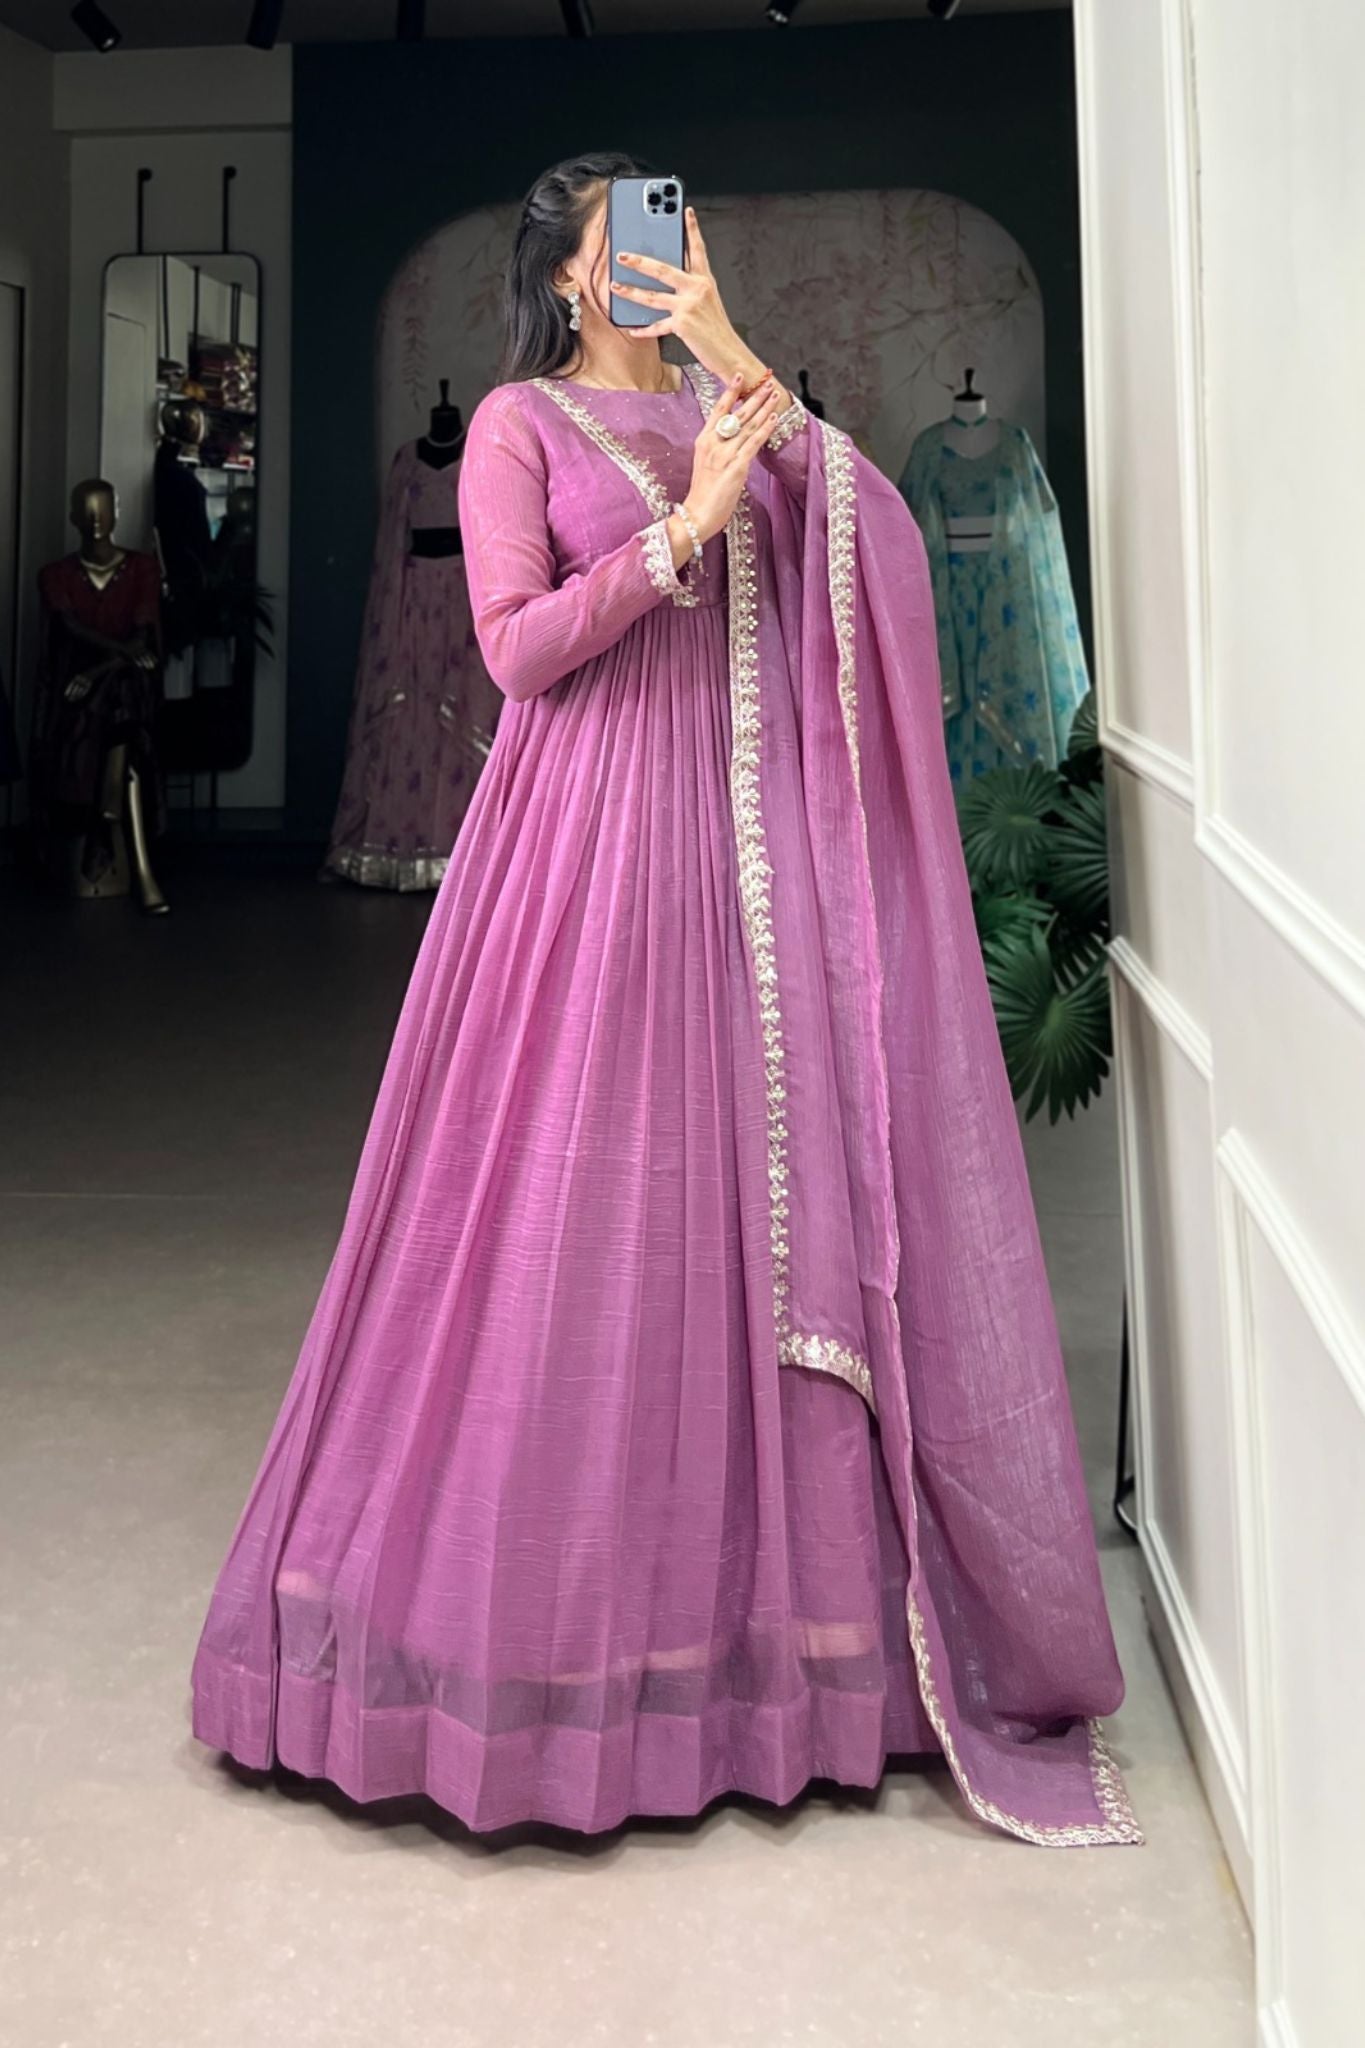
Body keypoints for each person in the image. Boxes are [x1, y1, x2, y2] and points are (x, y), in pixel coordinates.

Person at [190, 152, 1140, 1849]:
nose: (663, 255)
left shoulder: (731, 397)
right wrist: (684, 528)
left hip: (750, 877)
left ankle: (785, 1660)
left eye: (679, 230)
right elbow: (513, 650)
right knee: (584, 1217)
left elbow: (873, 542)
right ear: (568, 274)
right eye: (635, 240)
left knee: (748, 1223)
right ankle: (547, 1651)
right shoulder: (518, 426)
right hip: (588, 858)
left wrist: (730, 355)